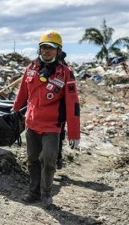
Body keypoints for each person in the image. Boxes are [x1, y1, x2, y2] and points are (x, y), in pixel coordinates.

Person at [12, 30, 80, 208]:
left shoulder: (65, 73)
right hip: (32, 123)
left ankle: (46, 194)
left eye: (51, 48)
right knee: (32, 159)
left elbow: (73, 105)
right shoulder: (31, 68)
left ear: (58, 51)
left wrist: (74, 134)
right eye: (43, 48)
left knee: (49, 159)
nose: (46, 51)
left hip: (52, 125)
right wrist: (14, 111)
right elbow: (22, 94)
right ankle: (33, 192)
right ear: (39, 49)